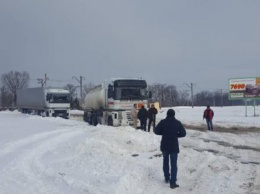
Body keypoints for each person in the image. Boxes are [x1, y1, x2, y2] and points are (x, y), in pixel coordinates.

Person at [154, 109, 186, 189]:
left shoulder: (163, 122)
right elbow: (183, 133)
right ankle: (173, 182)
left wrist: (164, 133)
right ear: (174, 114)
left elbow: (156, 131)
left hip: (165, 145)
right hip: (174, 146)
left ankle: (167, 177)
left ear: (167, 114)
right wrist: (175, 135)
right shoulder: (177, 122)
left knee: (165, 162)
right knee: (174, 164)